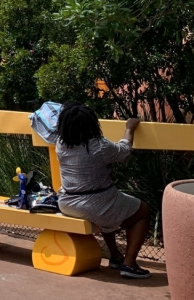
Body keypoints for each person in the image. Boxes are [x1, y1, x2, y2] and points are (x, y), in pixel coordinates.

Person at [55, 102, 151, 279]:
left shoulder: (61, 143)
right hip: (94, 203)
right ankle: (129, 264)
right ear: (92, 124)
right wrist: (129, 128)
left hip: (66, 202)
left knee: (109, 210)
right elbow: (124, 152)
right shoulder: (99, 145)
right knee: (143, 211)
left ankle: (115, 256)